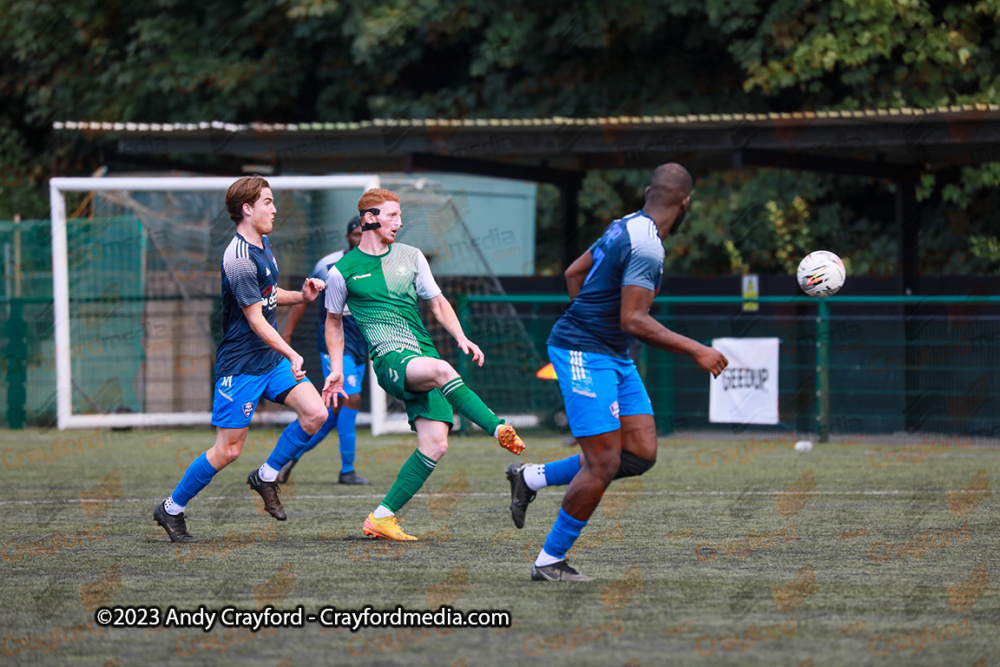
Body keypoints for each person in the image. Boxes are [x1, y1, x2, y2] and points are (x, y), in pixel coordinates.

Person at [506, 164, 729, 581]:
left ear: (649, 192)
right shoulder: (648, 247)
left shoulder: (623, 226)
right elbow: (634, 320)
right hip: (583, 351)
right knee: (603, 463)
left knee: (640, 453)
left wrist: (597, 327)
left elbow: (574, 271)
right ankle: (549, 561)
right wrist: (697, 349)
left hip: (609, 352)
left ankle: (530, 477)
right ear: (685, 204)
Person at [322, 187, 526, 541]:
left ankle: (381, 517)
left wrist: (462, 337)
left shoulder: (412, 256)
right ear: (370, 218)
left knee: (435, 445)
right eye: (392, 216)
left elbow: (438, 302)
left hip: (420, 355)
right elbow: (333, 322)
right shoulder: (341, 272)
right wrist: (337, 369)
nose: (399, 223)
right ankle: (497, 427)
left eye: (400, 216)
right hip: (389, 360)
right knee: (444, 370)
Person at [153, 176, 329, 543]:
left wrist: (301, 296)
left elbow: (268, 295)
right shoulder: (237, 258)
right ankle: (170, 509)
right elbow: (255, 318)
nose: (274, 208)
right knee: (228, 450)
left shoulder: (264, 243)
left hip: (269, 360)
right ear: (247, 209)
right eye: (267, 201)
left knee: (316, 414)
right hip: (241, 367)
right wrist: (292, 352)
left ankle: (266, 476)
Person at [278, 216, 369, 485]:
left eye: (365, 233)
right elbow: (302, 300)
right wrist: (287, 334)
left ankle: (286, 458)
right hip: (334, 339)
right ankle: (347, 470)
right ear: (347, 237)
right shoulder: (328, 265)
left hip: (361, 341)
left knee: (333, 413)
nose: (361, 237)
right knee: (352, 399)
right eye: (356, 233)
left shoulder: (378, 265)